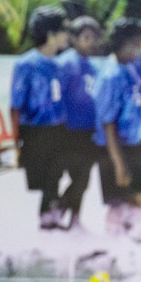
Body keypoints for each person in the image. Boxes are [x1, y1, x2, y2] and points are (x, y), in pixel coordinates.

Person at [9, 6, 70, 229]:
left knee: (57, 177)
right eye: (64, 30)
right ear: (51, 34)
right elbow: (15, 107)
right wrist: (16, 144)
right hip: (36, 131)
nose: (67, 36)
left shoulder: (62, 64)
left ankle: (50, 219)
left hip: (60, 129)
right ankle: (46, 221)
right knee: (44, 180)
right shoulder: (26, 64)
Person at [93, 20, 141, 237]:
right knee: (118, 204)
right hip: (116, 150)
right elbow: (107, 124)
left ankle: (133, 242)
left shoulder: (129, 68)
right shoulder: (110, 76)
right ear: (123, 43)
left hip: (135, 145)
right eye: (137, 44)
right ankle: (116, 248)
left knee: (136, 197)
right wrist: (119, 165)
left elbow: (138, 105)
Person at [54, 17, 104, 229]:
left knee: (83, 179)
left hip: (88, 130)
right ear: (74, 39)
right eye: (85, 38)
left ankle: (74, 218)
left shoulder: (94, 67)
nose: (90, 42)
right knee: (74, 175)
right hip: (68, 131)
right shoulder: (65, 63)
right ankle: (58, 208)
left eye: (93, 38)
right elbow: (57, 97)